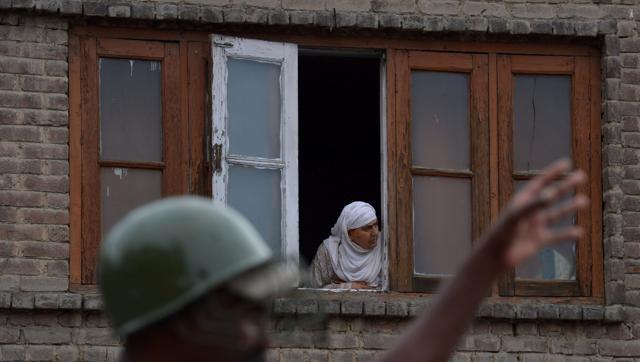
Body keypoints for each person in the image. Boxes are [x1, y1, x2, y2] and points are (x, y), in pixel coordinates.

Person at [99, 159, 587, 362]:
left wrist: (486, 261)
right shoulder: (331, 255)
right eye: (235, 313)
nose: (260, 335)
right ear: (171, 324)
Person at [307, 201, 382, 289]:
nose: (375, 233)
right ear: (349, 234)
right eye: (367, 228)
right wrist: (346, 286)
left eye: (376, 225)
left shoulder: (385, 247)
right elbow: (311, 289)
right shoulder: (329, 252)